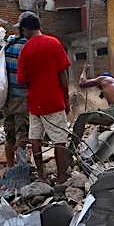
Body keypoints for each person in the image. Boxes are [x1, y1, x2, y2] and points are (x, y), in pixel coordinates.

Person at [16, 12, 72, 184]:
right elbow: (63, 73)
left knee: (35, 139)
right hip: (54, 101)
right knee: (59, 140)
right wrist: (66, 97)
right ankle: (61, 177)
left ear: (26, 29)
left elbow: (23, 80)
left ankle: (42, 176)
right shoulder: (54, 43)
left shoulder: (25, 50)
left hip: (35, 102)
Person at [2, 12, 33, 165]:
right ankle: (21, 168)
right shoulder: (28, 47)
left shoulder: (8, 46)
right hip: (23, 98)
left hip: (7, 98)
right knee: (22, 134)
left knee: (9, 134)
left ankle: (9, 166)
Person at [72, 73, 114, 142]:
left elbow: (82, 83)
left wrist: (84, 71)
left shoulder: (104, 78)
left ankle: (71, 150)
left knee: (82, 117)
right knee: (102, 126)